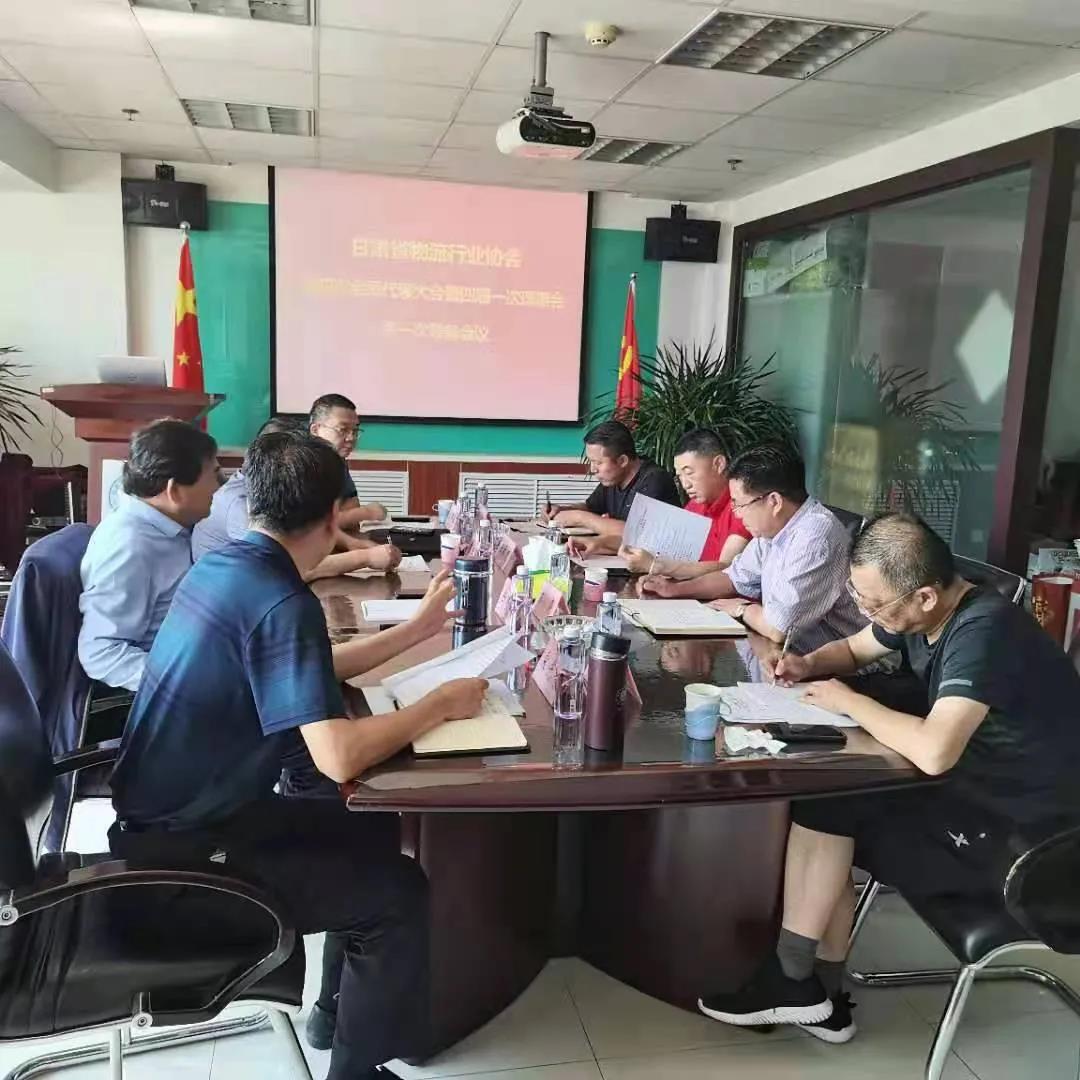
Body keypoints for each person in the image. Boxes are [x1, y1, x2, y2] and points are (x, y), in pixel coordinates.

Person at [109, 429, 487, 1080]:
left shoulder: (229, 566)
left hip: (166, 826)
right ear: (334, 515)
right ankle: (355, 1071)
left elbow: (306, 666)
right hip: (183, 866)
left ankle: (336, 1013)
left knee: (366, 826)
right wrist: (436, 706)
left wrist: (416, 631)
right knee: (398, 893)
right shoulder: (282, 599)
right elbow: (338, 756)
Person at [697, 514, 1080, 1045]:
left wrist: (849, 700)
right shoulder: (927, 609)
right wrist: (808, 665)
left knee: (832, 807)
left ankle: (796, 982)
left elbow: (935, 751)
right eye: (860, 598)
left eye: (875, 604)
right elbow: (856, 648)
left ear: (924, 595)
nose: (867, 612)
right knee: (832, 800)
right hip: (985, 796)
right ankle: (817, 993)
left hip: (1032, 844)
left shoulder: (984, 632)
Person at [640, 443, 864, 672]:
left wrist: (742, 608)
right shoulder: (775, 528)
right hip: (790, 660)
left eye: (740, 504)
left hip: (843, 672)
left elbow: (779, 627)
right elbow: (733, 577)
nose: (736, 514)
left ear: (774, 502)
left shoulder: (815, 537)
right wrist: (676, 589)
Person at [79, 419, 219, 692]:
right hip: (179, 689)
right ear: (174, 491)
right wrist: (195, 682)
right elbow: (101, 653)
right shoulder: (129, 546)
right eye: (213, 475)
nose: (218, 487)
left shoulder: (169, 527)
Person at [192, 417, 400, 577]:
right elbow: (290, 568)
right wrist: (365, 558)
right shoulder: (239, 503)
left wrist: (352, 544)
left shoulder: (270, 487)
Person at [620, 428, 751, 576]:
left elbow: (726, 570)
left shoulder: (742, 506)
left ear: (719, 464)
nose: (685, 484)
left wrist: (655, 566)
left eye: (689, 473)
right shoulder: (695, 506)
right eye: (680, 477)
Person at [545, 420, 680, 551]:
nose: (592, 469)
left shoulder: (654, 480)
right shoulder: (613, 479)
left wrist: (579, 518)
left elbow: (635, 534)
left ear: (622, 461)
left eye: (598, 463)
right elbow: (591, 507)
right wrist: (561, 510)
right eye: (591, 461)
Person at [309, 393, 389, 534]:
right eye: (343, 429)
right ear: (315, 430)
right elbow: (313, 527)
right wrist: (367, 512)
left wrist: (345, 517)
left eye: (355, 430)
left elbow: (352, 504)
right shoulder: (300, 466)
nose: (351, 438)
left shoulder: (337, 459)